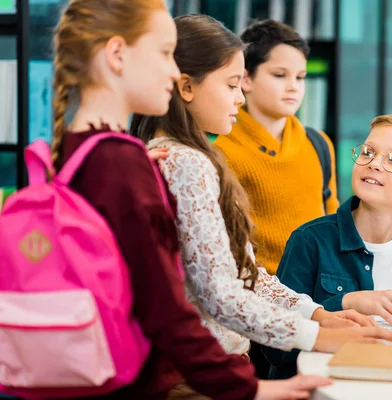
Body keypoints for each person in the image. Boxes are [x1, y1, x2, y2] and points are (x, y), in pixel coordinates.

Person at [50, 1, 331, 398]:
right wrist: (255, 384)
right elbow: (175, 307)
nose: (171, 69)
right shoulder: (138, 161)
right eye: (164, 53)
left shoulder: (97, 152)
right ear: (116, 55)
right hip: (179, 379)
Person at [131, 15, 392, 389]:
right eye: (231, 85)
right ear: (187, 87)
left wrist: (317, 314)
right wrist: (315, 334)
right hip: (201, 374)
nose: (240, 97)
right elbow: (221, 292)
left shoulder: (171, 154)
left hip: (209, 365)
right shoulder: (187, 161)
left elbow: (246, 273)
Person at [270, 114, 392, 378]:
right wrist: (344, 302)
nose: (374, 163)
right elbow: (273, 348)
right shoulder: (309, 241)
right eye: (368, 152)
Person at [213, 20, 339, 276]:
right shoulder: (222, 152)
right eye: (280, 75)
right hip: (262, 298)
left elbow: (334, 226)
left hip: (324, 296)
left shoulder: (318, 144)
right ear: (245, 79)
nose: (293, 86)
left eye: (301, 77)